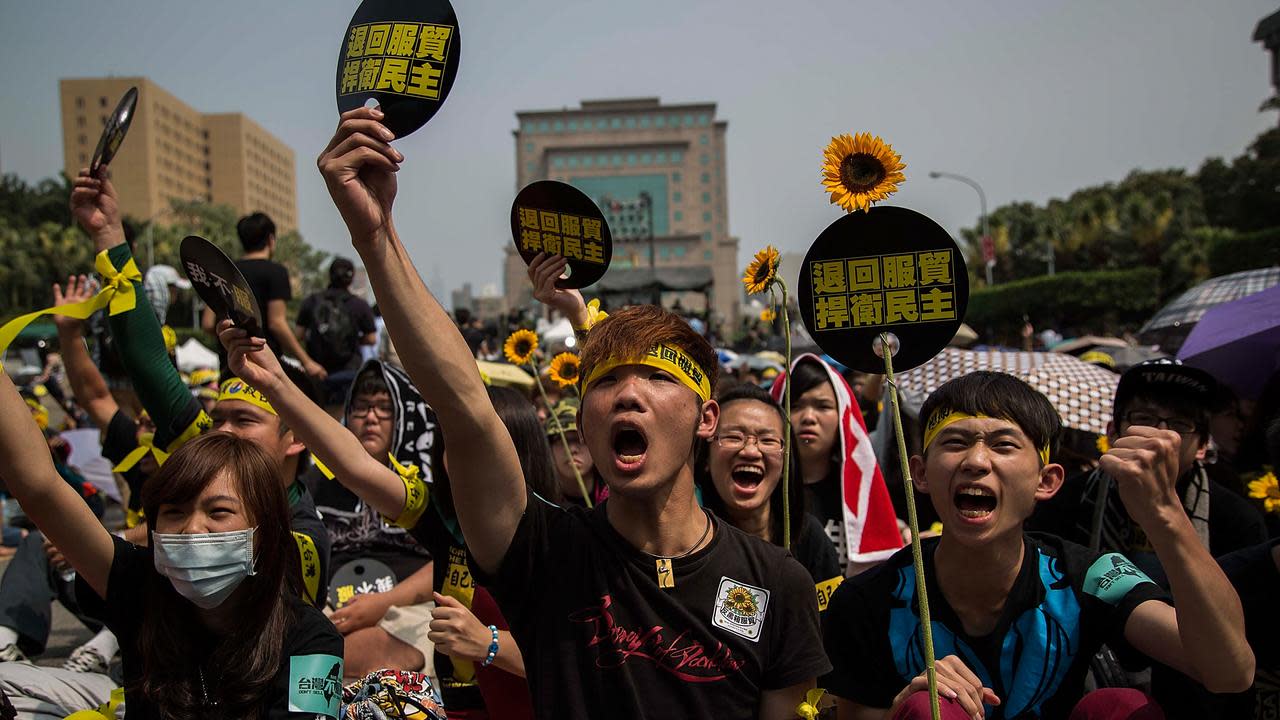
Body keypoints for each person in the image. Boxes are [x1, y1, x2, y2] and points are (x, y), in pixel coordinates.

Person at [317, 106, 830, 718]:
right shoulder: (544, 552)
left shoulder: (777, 581)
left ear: (706, 419)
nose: (628, 395)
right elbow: (465, 405)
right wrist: (376, 238)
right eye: (606, 382)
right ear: (583, 421)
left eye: (657, 379)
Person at [823, 371, 1255, 720]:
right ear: (919, 473)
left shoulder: (1091, 576)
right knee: (927, 707)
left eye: (1003, 445)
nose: (976, 461)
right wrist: (905, 707)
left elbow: (1229, 671)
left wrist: (1165, 515)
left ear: (1046, 482)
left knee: (1121, 708)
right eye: (955, 443)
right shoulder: (868, 599)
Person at [221, 324, 548, 718]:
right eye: (453, 443)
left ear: (522, 452)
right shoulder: (439, 517)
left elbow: (585, 660)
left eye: (481, 446)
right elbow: (354, 466)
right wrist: (275, 383)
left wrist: (489, 644)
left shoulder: (561, 536)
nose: (461, 457)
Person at [0, 371, 344, 719]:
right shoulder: (140, 585)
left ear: (266, 530)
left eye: (219, 511)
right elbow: (39, 487)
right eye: (174, 512)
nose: (192, 529)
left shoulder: (311, 640)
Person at [68, 167, 332, 609]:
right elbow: (148, 362)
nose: (221, 431)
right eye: (218, 418)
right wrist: (109, 237)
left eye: (245, 420)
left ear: (296, 438)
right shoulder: (206, 450)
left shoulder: (303, 537)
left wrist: (131, 538)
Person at [301, 360, 435, 680]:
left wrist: (383, 602)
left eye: (384, 408)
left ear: (404, 416)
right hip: (329, 608)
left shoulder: (426, 482)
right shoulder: (315, 482)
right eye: (361, 407)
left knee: (370, 647)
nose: (371, 417)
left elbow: (451, 559)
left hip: (410, 608)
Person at [696, 383, 842, 612]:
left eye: (768, 440)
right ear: (705, 458)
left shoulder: (808, 536)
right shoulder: (687, 538)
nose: (751, 451)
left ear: (785, 462)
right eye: (734, 437)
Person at [774, 354, 903, 575]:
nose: (808, 417)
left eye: (823, 406)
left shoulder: (865, 495)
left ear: (843, 415)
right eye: (795, 406)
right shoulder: (762, 493)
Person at [200, 211, 327, 380]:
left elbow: (208, 324)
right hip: (265, 366)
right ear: (270, 240)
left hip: (230, 367)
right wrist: (306, 361)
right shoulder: (276, 272)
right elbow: (277, 323)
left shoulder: (224, 272)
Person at [295, 257, 377, 404]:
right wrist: (351, 339)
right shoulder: (359, 305)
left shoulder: (312, 301)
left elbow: (298, 335)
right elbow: (371, 339)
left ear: (330, 275)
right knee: (344, 417)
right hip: (348, 371)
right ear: (351, 279)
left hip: (317, 371)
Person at [544, 398, 608, 508]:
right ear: (549, 447)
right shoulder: (541, 500)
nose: (572, 449)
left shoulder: (615, 494)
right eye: (561, 440)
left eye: (580, 439)